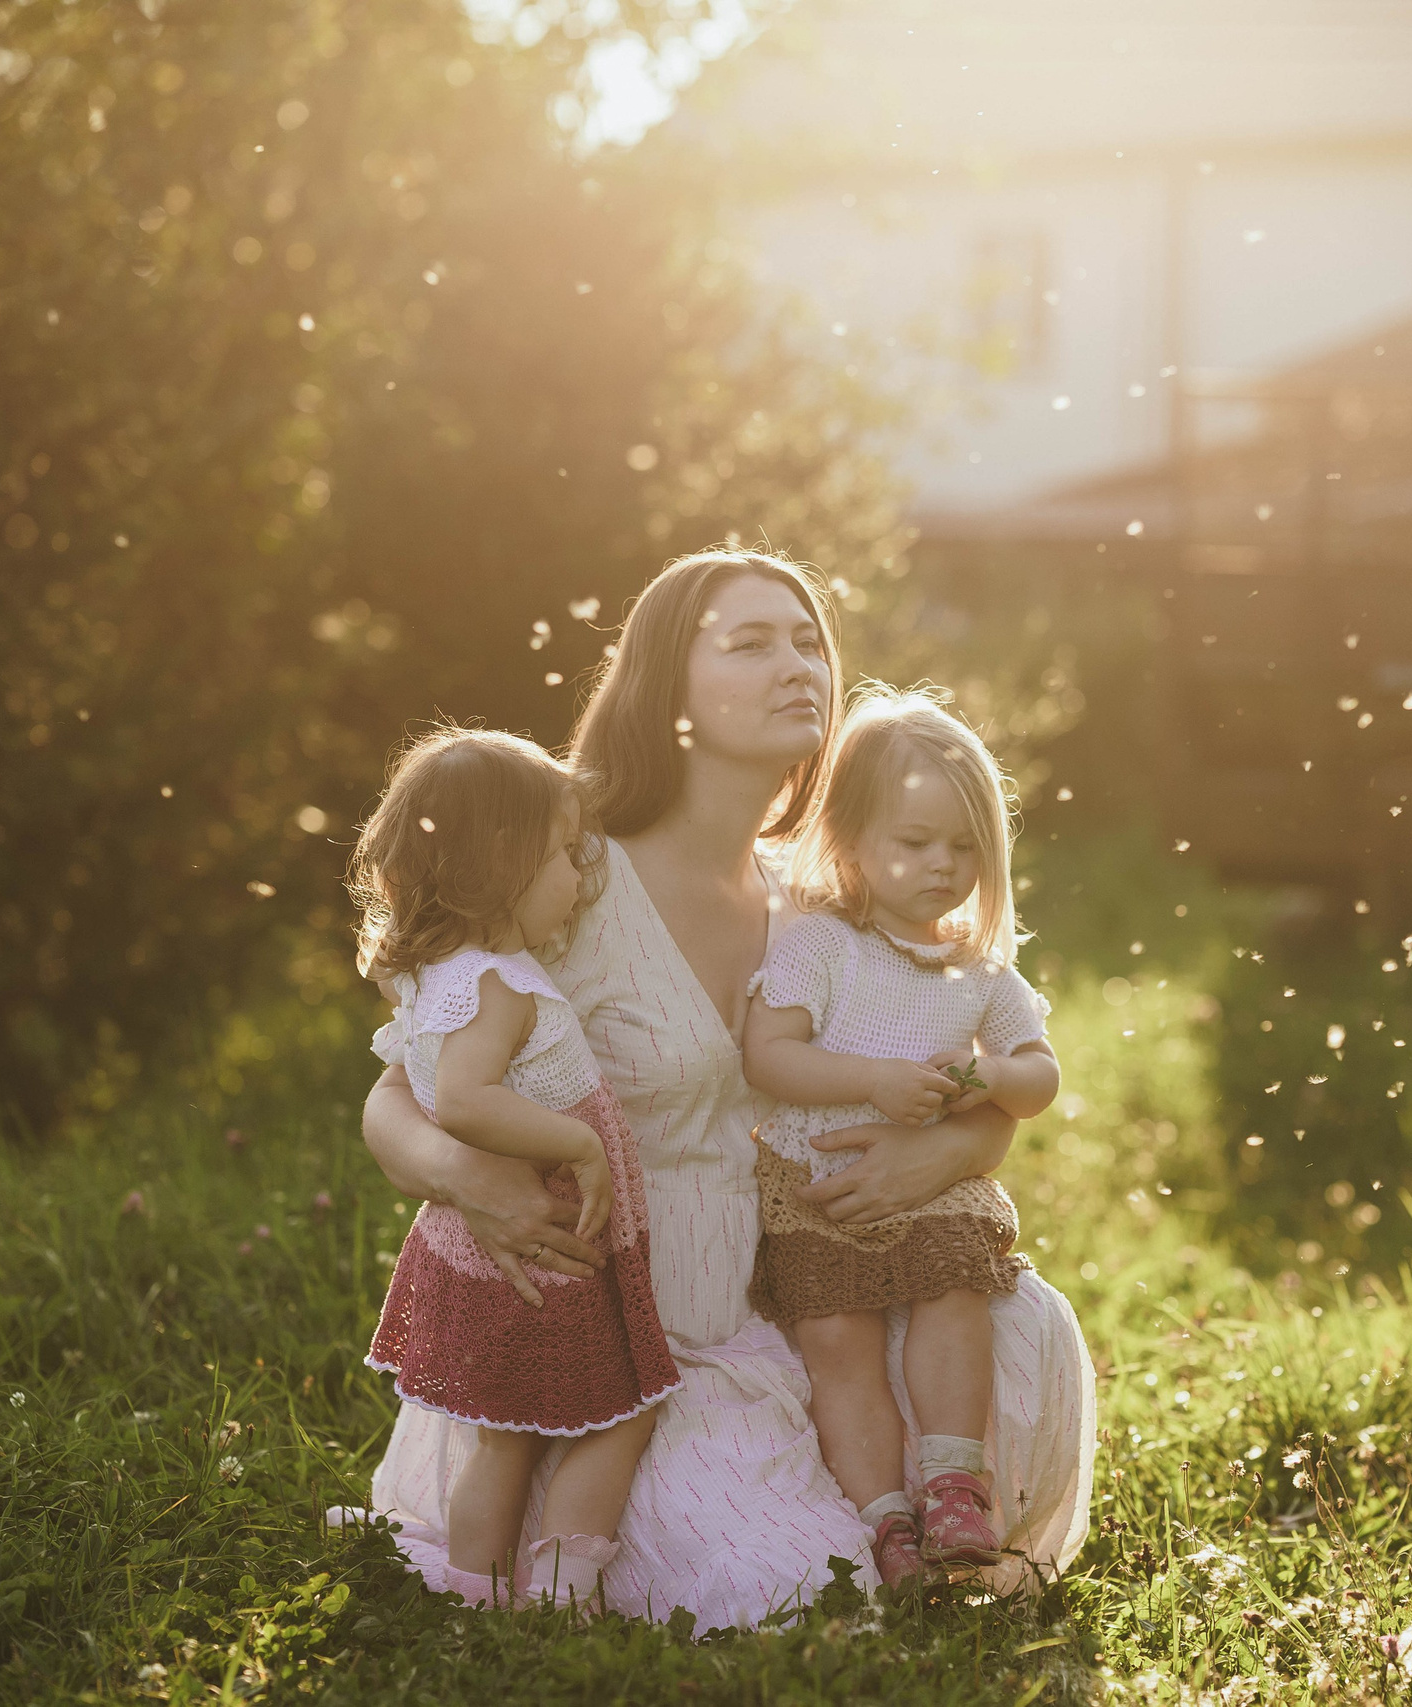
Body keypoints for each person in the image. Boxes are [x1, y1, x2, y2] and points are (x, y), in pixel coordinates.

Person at [347, 549, 1093, 1630]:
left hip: (805, 1292)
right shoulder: (569, 868)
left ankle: (900, 1517)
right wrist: (470, 1179)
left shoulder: (822, 894)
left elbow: (961, 1086)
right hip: (626, 1337)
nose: (798, 665)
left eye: (808, 643)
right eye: (751, 643)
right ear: (667, 687)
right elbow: (396, 1091)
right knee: (794, 1595)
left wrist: (950, 1153)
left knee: (1014, 1332)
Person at [348, 728, 677, 1610]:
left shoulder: (439, 974)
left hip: (499, 1246)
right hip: (540, 1249)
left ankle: (478, 1591)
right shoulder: (492, 981)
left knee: (508, 1438)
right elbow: (458, 1097)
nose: (581, 876)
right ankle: (555, 1587)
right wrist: (577, 1143)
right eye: (565, 855)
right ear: (503, 860)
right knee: (620, 1405)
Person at [739, 684, 1059, 1591]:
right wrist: (873, 1079)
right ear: (850, 840)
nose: (942, 865)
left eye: (963, 847)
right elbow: (770, 1055)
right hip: (816, 1179)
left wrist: (992, 1077)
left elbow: (1041, 1074)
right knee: (836, 1337)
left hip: (939, 1187)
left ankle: (957, 1481)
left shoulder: (978, 968)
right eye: (915, 843)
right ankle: (884, 1515)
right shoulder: (820, 945)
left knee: (953, 1294)